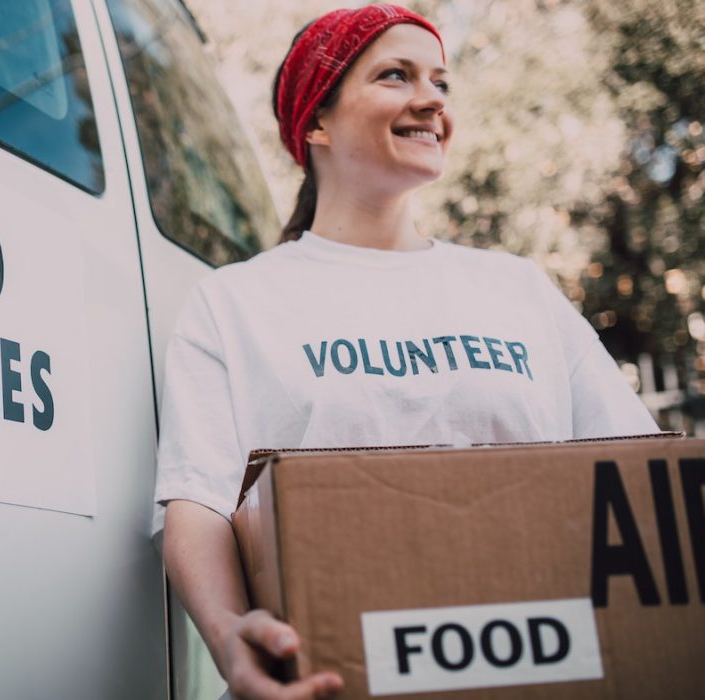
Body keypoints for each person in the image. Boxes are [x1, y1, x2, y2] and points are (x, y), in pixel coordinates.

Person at [152, 4, 658, 700]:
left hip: (554, 667)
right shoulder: (234, 303)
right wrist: (229, 637)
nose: (432, 100)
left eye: (441, 82)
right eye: (396, 75)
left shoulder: (517, 290)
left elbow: (638, 471)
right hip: (340, 676)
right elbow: (197, 500)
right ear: (317, 122)